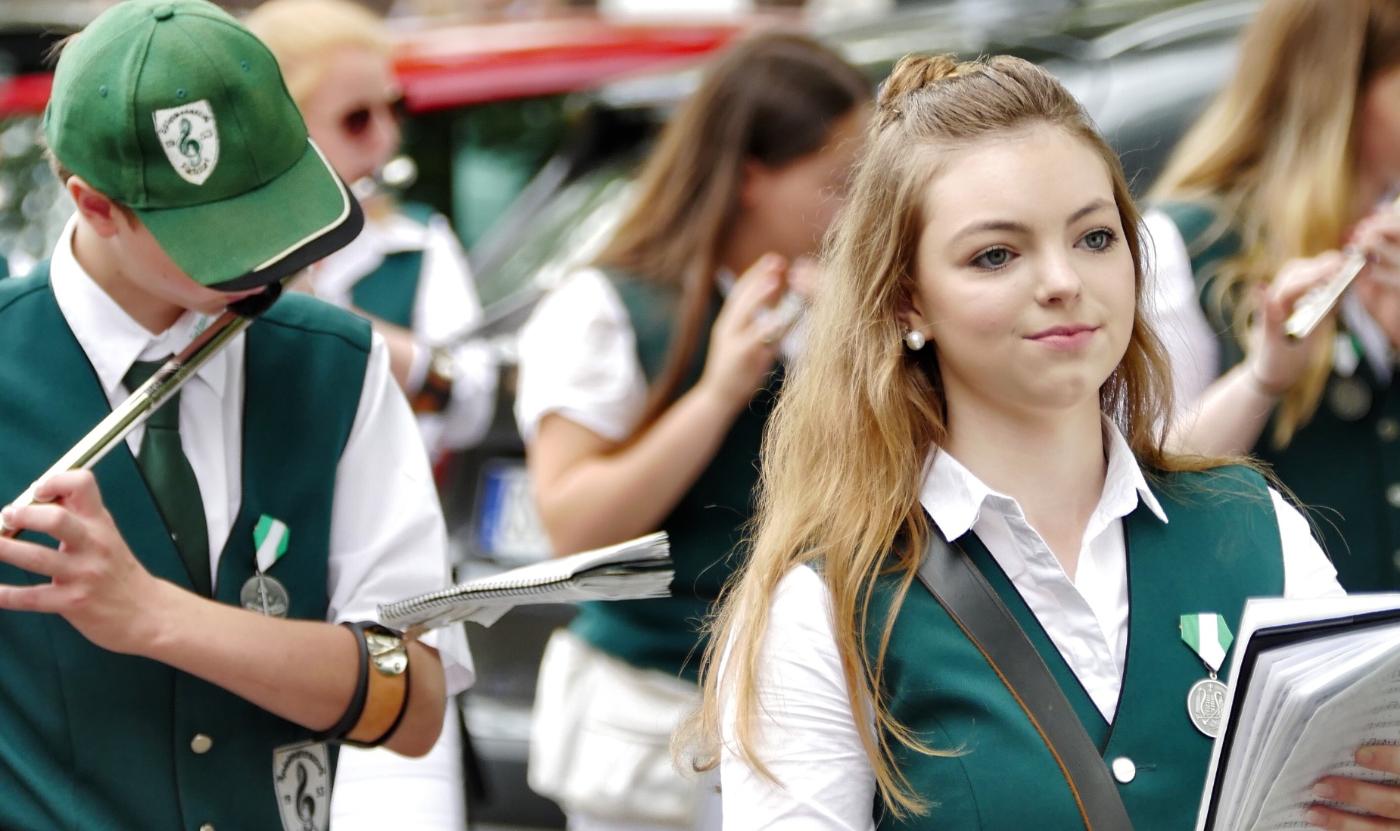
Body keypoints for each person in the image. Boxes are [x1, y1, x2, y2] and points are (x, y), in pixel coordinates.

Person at [691, 53, 1400, 831]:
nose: (1062, 279)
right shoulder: (829, 604)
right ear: (906, 302)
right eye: (996, 254)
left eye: (1095, 237)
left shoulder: (1252, 521)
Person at [0, 2, 471, 829]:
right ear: (95, 204)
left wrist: (153, 615)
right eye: (216, 231)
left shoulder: (339, 364)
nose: (268, 255)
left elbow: (416, 698)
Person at [514, 31, 869, 830]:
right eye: (840, 180)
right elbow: (570, 525)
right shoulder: (609, 308)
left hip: (799, 721)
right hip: (651, 726)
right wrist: (716, 394)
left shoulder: (827, 306)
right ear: (751, 175)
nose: (859, 205)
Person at [1146, 0, 1400, 591]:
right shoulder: (1185, 242)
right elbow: (1146, 485)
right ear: (1339, 82)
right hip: (1285, 656)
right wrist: (1264, 377)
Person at [247, 0, 497, 461]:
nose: (388, 139)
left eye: (394, 108)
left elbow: (470, 409)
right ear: (279, 131)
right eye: (357, 119)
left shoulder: (418, 244)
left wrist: (324, 315)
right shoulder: (224, 253)